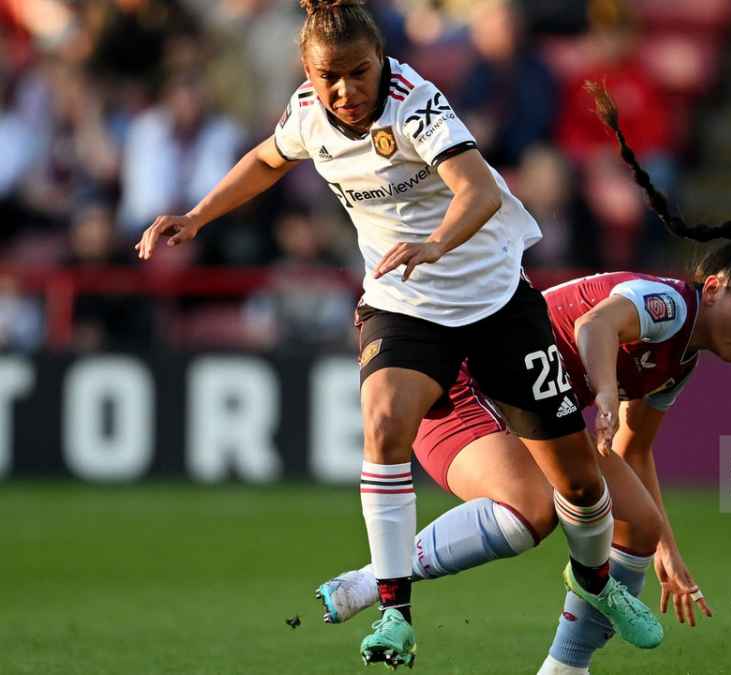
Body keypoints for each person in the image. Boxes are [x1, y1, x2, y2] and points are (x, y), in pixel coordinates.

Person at [133, 2, 660, 668]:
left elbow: (479, 192)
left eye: (359, 73)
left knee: (579, 489)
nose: (346, 91)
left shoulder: (417, 104)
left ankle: (595, 584)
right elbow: (268, 160)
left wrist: (435, 243)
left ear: (382, 61)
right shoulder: (306, 111)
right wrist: (198, 214)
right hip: (402, 303)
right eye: (332, 78)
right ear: (308, 71)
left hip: (495, 300)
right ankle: (393, 612)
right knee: (384, 421)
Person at [314, 82, 731, 675]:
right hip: (473, 381)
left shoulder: (680, 362)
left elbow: (634, 451)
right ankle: (375, 580)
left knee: (637, 526)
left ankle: (564, 671)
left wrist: (668, 547)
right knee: (531, 513)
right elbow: (595, 324)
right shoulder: (666, 304)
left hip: (534, 408)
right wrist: (610, 394)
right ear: (715, 287)